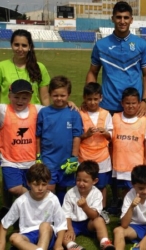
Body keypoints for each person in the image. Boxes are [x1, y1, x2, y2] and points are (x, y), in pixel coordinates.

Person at [86, 1, 146, 117]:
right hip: (107, 106)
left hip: (134, 106)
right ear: (112, 18)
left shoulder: (141, 44)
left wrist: (145, 101)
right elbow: (92, 72)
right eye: (119, 17)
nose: (122, 21)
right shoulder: (101, 45)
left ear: (131, 19)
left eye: (126, 17)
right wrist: (90, 97)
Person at [36, 75, 83, 204]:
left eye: (63, 95)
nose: (59, 98)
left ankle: (61, 215)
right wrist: (38, 155)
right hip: (48, 159)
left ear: (68, 95)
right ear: (50, 94)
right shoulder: (44, 113)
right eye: (56, 95)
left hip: (66, 160)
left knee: (63, 188)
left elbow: (77, 136)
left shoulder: (73, 113)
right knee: (49, 188)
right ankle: (48, 214)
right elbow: (38, 136)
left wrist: (74, 157)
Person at [0, 163, 67, 250]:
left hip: (46, 235)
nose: (40, 188)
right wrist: (2, 244)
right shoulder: (21, 201)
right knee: (14, 237)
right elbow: (4, 224)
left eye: (44, 184)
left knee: (45, 225)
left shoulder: (53, 200)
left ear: (48, 182)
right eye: (36, 184)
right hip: (27, 236)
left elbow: (61, 224)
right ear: (28, 183)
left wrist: (58, 245)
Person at [0, 80, 45, 203]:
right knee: (14, 188)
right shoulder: (3, 110)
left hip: (31, 161)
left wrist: (69, 104)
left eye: (24, 98)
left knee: (31, 186)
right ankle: (34, 200)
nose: (20, 101)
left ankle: (25, 210)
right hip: (9, 160)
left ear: (30, 97)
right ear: (9, 96)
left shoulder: (37, 110)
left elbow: (55, 110)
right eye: (16, 97)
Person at [78, 82, 113, 223]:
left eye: (95, 99)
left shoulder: (106, 114)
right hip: (85, 156)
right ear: (84, 98)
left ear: (100, 98)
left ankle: (102, 209)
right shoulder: (79, 114)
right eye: (89, 99)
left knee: (101, 185)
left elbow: (111, 135)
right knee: (84, 184)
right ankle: (83, 209)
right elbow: (76, 136)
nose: (92, 102)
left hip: (102, 157)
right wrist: (86, 135)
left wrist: (106, 133)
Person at [62, 160, 115, 250]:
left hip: (89, 222)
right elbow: (66, 214)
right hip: (73, 223)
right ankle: (73, 246)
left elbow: (94, 215)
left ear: (94, 181)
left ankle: (105, 243)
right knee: (60, 232)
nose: (81, 183)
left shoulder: (97, 193)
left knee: (99, 220)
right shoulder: (70, 193)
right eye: (78, 180)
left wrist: (85, 207)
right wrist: (70, 229)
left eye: (85, 181)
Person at [111, 87, 146, 197]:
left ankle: (134, 210)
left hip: (136, 165)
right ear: (122, 103)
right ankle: (121, 207)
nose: (130, 106)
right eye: (127, 103)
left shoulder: (144, 120)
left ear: (139, 103)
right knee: (122, 189)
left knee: (135, 190)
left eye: (134, 103)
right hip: (119, 163)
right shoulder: (115, 118)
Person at [113, 165, 146, 250]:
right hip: (135, 227)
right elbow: (124, 225)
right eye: (141, 188)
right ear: (133, 184)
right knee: (118, 231)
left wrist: (145, 240)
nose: (145, 191)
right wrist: (131, 207)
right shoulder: (129, 196)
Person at [0, 29, 50, 105]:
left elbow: (45, 98)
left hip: (33, 115)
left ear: (29, 46)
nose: (20, 49)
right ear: (11, 45)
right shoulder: (2, 67)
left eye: (24, 45)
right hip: (7, 115)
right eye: (16, 45)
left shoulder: (39, 68)